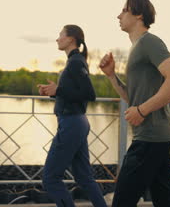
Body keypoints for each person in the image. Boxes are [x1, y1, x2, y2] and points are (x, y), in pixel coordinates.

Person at [99, 0, 170, 207]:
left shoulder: (150, 42)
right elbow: (132, 98)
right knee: (164, 199)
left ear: (139, 14)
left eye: (124, 10)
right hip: (155, 135)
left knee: (122, 200)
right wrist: (112, 75)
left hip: (150, 137)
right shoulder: (137, 48)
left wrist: (142, 111)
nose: (118, 15)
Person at [38, 25, 107, 207]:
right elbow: (74, 93)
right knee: (84, 178)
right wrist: (53, 92)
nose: (57, 39)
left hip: (72, 124)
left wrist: (58, 89)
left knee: (50, 179)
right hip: (75, 122)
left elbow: (89, 94)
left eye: (60, 35)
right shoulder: (75, 61)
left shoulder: (76, 61)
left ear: (71, 39)